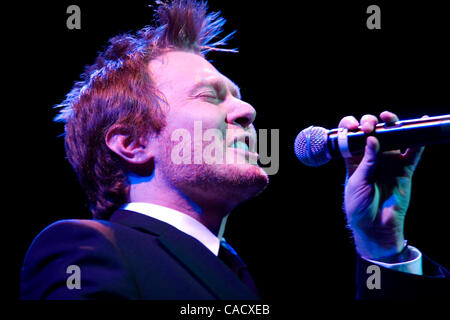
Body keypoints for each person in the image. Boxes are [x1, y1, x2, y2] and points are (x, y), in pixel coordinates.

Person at [20, 0, 448, 300]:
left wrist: (380, 248)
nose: (247, 110)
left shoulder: (235, 274)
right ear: (131, 144)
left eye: (238, 96)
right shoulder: (84, 250)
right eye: (210, 96)